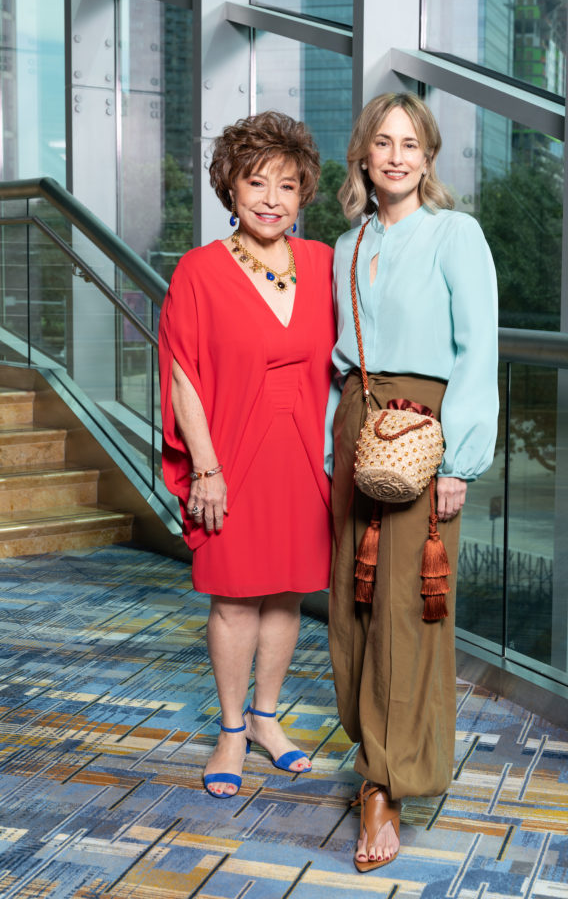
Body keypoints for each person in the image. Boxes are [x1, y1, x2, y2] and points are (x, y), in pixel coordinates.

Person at [325, 92, 498, 871]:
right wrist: (336, 450)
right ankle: (371, 749)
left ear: (428, 158)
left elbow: (479, 350)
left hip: (425, 430)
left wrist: (460, 459)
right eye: (382, 143)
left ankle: (385, 788)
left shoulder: (455, 235)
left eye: (411, 144)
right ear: (363, 155)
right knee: (351, 601)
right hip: (358, 425)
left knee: (407, 607)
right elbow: (339, 361)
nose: (396, 156)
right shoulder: (346, 245)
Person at [159, 110, 335, 799]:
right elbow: (183, 375)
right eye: (254, 182)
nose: (270, 199)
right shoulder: (200, 271)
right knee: (234, 600)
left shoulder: (324, 263)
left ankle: (267, 719)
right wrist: (205, 467)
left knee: (287, 592)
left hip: (302, 457)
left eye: (286, 186)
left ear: (303, 195)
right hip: (230, 454)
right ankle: (232, 729)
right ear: (229, 189)